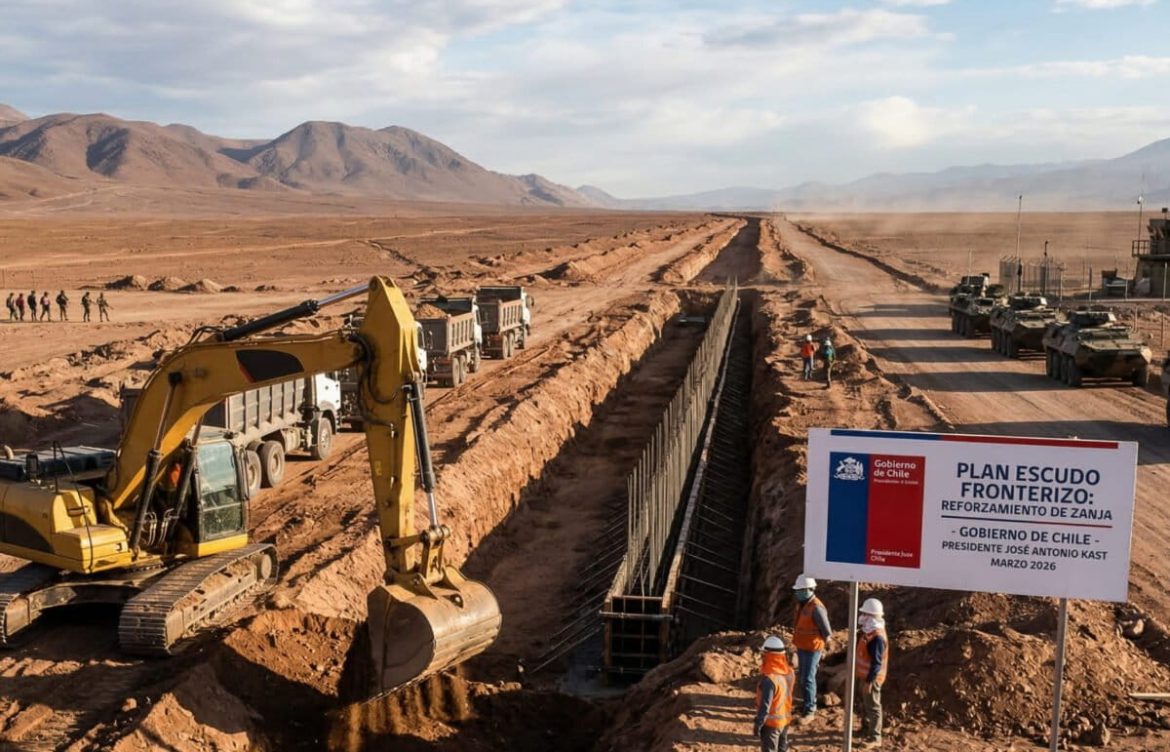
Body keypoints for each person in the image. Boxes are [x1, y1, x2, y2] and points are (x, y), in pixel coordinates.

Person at [791, 574, 832, 722]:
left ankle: (810, 710)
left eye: (801, 590)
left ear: (810, 589)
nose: (798, 592)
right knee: (803, 678)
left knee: (808, 679)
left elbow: (827, 631)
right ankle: (805, 704)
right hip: (802, 646)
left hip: (813, 648)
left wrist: (825, 648)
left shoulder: (816, 608)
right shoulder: (802, 604)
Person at [856, 598, 888, 749]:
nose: (862, 616)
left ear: (871, 616)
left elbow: (876, 663)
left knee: (873, 706)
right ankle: (866, 728)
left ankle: (875, 737)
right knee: (866, 704)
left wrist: (869, 681)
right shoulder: (869, 631)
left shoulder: (877, 638)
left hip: (872, 678)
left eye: (865, 613)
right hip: (865, 675)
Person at [753, 635, 795, 752]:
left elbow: (765, 706)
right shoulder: (789, 672)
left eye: (764, 655)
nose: (762, 658)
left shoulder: (769, 680)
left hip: (771, 725)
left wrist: (758, 724)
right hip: (785, 721)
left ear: (769, 656)